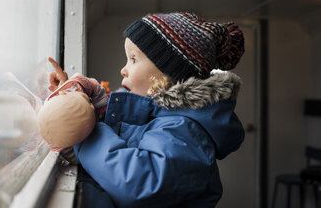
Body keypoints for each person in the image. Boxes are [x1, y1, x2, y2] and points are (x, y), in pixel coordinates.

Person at [48, 12, 245, 207]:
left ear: (167, 76)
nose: (123, 70)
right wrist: (73, 101)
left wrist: (82, 127)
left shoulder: (184, 131)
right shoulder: (154, 119)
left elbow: (139, 185)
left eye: (133, 59)